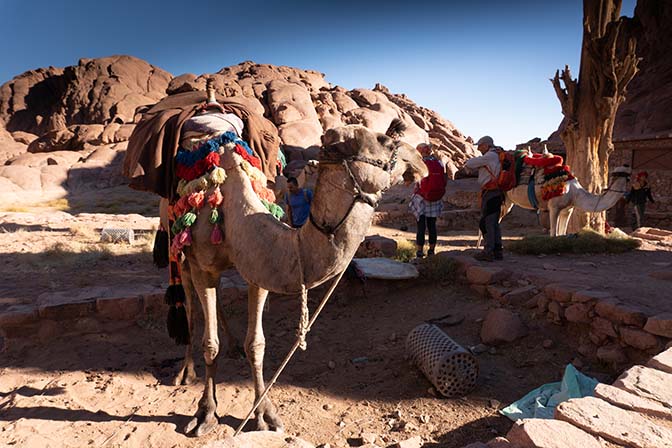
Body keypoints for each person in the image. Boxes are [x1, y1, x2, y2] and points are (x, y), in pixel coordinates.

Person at [465, 136, 503, 262]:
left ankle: (489, 251)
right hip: (496, 192)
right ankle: (498, 251)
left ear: (486, 145)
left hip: (491, 192)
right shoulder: (497, 154)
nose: (479, 148)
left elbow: (470, 163)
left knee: (487, 222)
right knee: (493, 222)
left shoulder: (490, 156)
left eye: (480, 146)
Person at [409, 143, 447, 258]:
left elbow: (416, 179)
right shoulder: (439, 162)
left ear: (420, 151)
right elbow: (444, 178)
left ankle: (419, 252)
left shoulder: (421, 163)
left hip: (422, 197)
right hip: (435, 197)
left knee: (421, 226)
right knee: (432, 225)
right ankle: (431, 251)